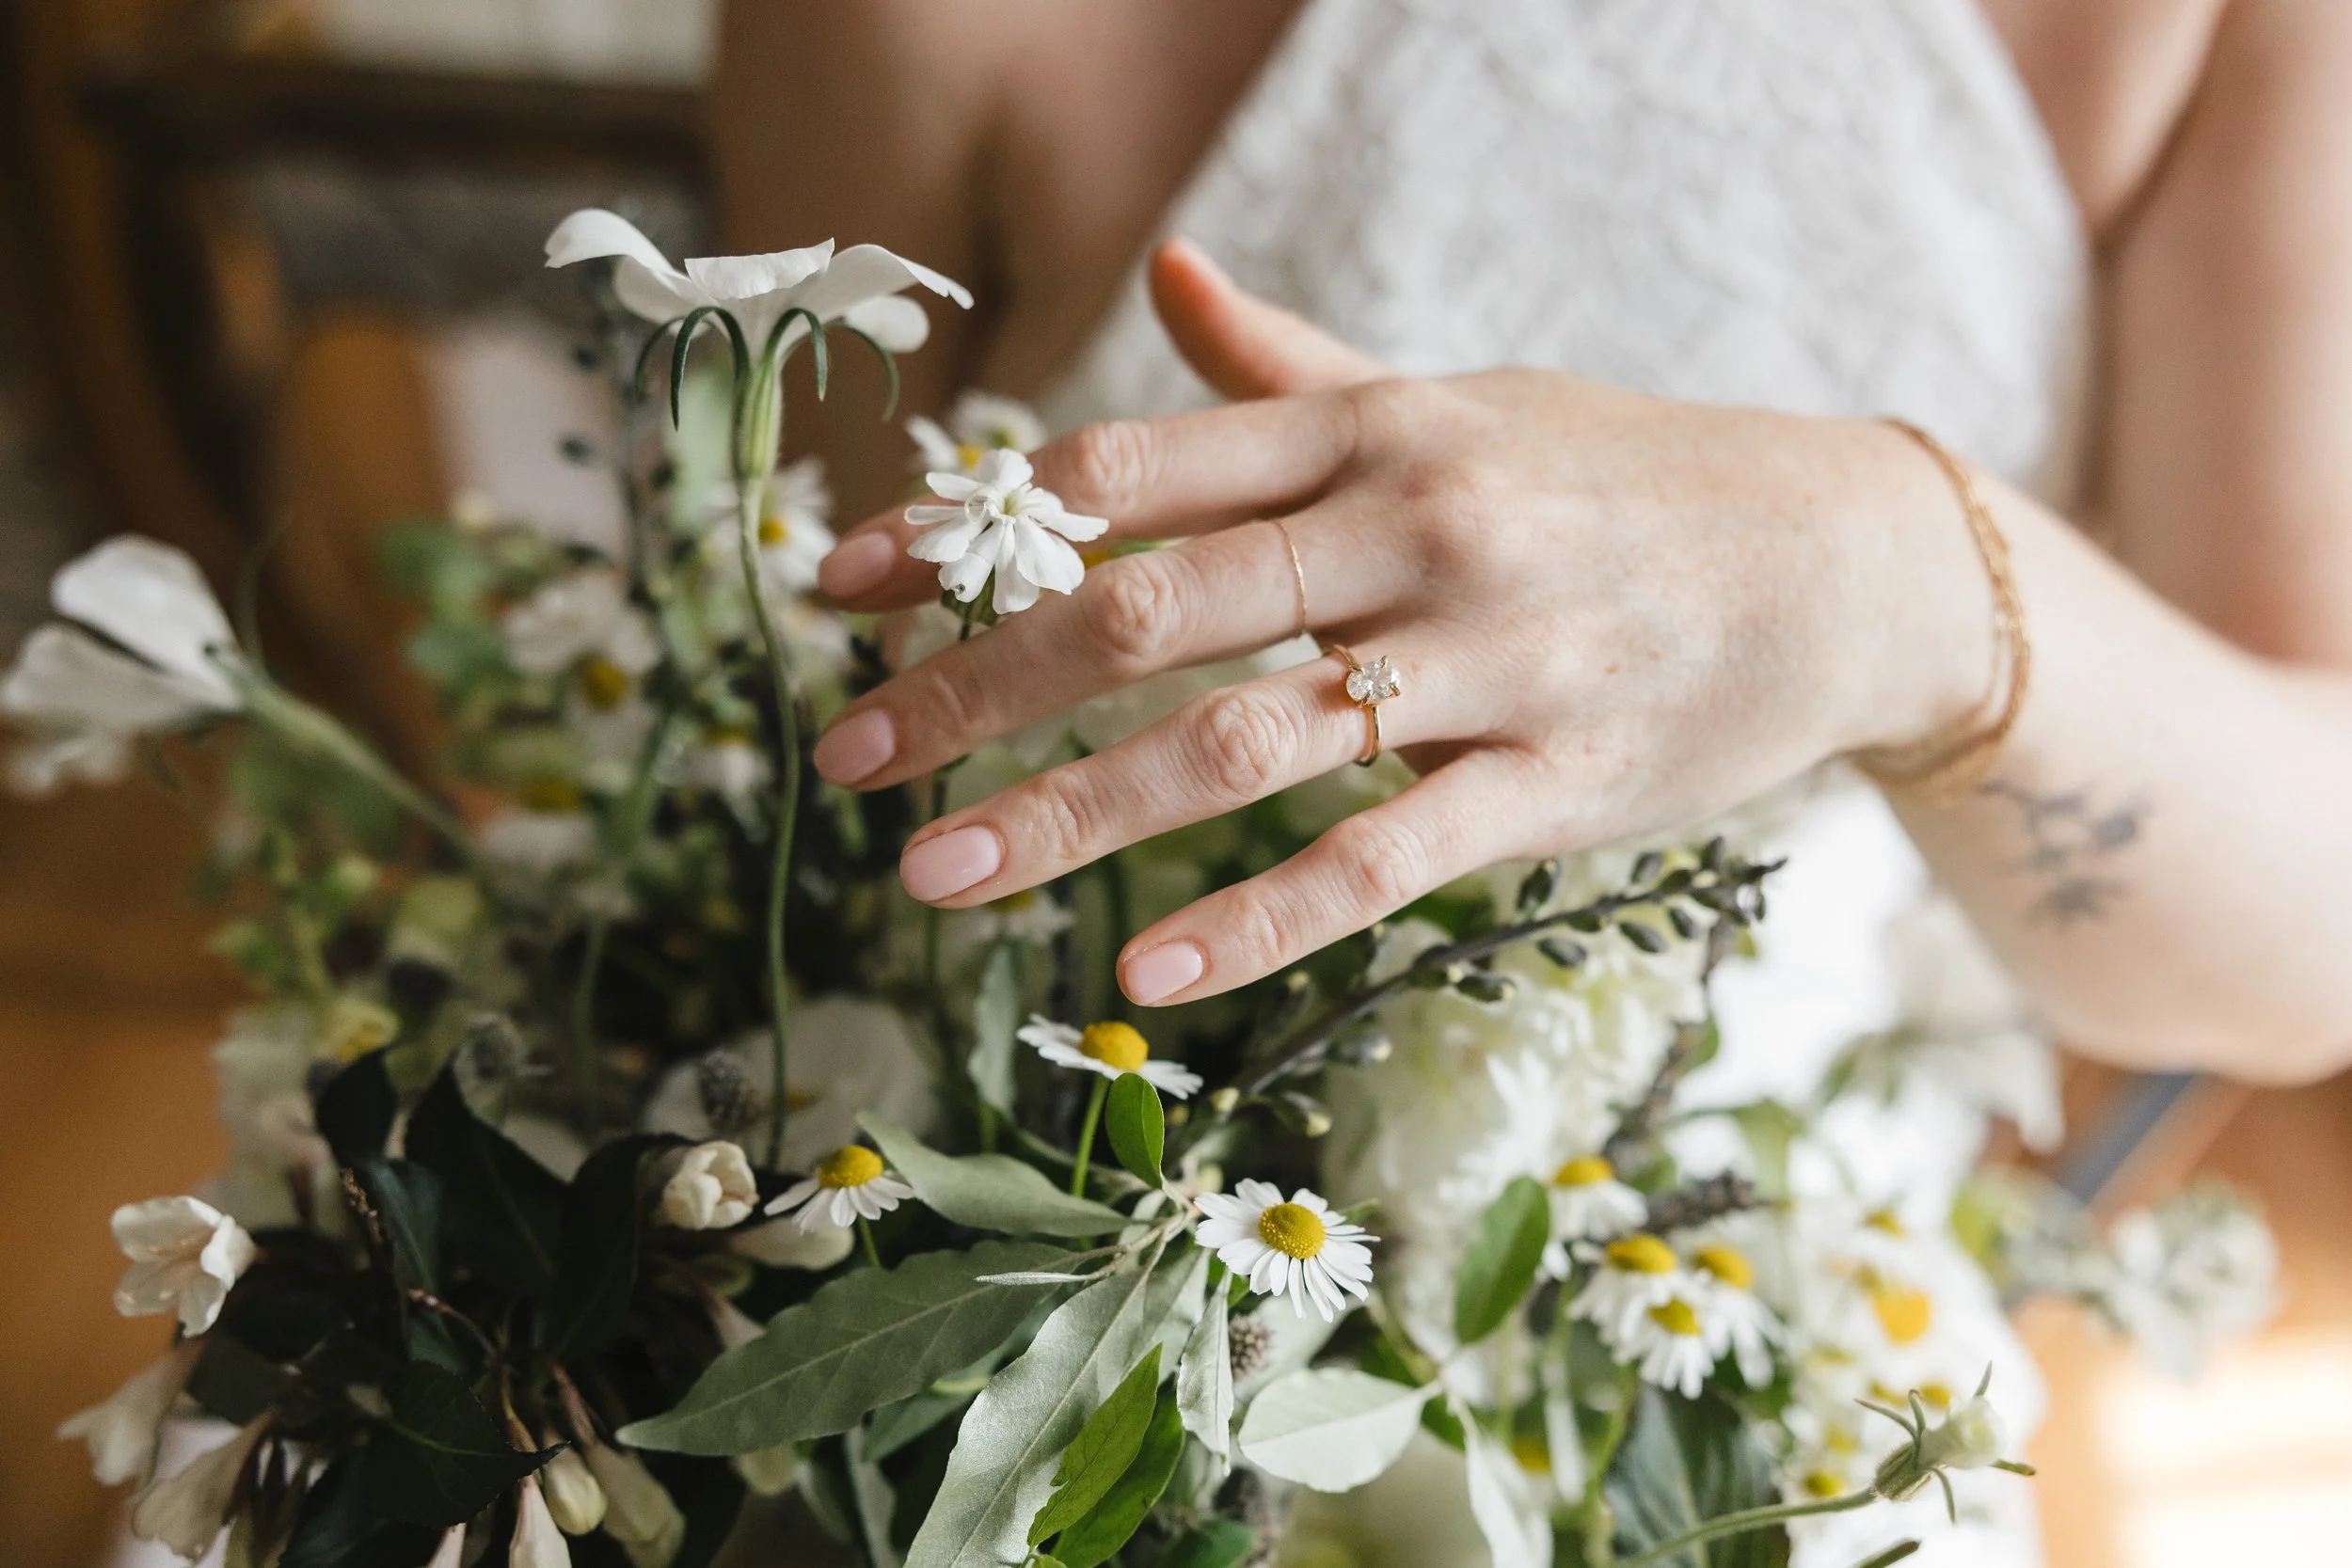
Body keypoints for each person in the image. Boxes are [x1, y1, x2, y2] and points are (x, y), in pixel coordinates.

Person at [717, 3, 2352, 1557]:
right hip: (1005, 1307)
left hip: (1747, 1368)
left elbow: (2311, 938)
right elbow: (855, 703)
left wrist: (1892, 570)